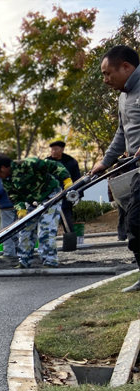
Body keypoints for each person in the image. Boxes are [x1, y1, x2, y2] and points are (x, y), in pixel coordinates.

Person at [91, 45, 140, 292]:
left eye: (107, 73)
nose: (105, 80)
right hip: (137, 169)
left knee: (136, 219)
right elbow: (121, 133)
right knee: (133, 223)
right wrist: (105, 161)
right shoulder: (123, 97)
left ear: (126, 67)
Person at [0, 153, 72, 269]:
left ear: (3, 168)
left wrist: (66, 179)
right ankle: (24, 261)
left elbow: (53, 165)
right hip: (33, 202)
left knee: (46, 230)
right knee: (25, 231)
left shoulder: (28, 164)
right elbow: (14, 197)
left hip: (51, 195)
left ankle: (50, 262)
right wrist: (21, 210)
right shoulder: (6, 181)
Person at [46, 140, 82, 232]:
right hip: (50, 198)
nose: (53, 151)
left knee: (67, 222)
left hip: (66, 197)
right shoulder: (46, 162)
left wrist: (78, 195)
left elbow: (77, 179)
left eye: (56, 149)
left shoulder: (71, 162)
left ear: (62, 149)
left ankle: (70, 242)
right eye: (52, 149)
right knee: (48, 224)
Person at [0, 177, 18, 258]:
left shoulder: (2, 176)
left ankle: (9, 253)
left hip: (6, 206)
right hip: (19, 206)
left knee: (6, 230)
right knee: (18, 228)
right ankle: (20, 251)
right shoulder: (18, 173)